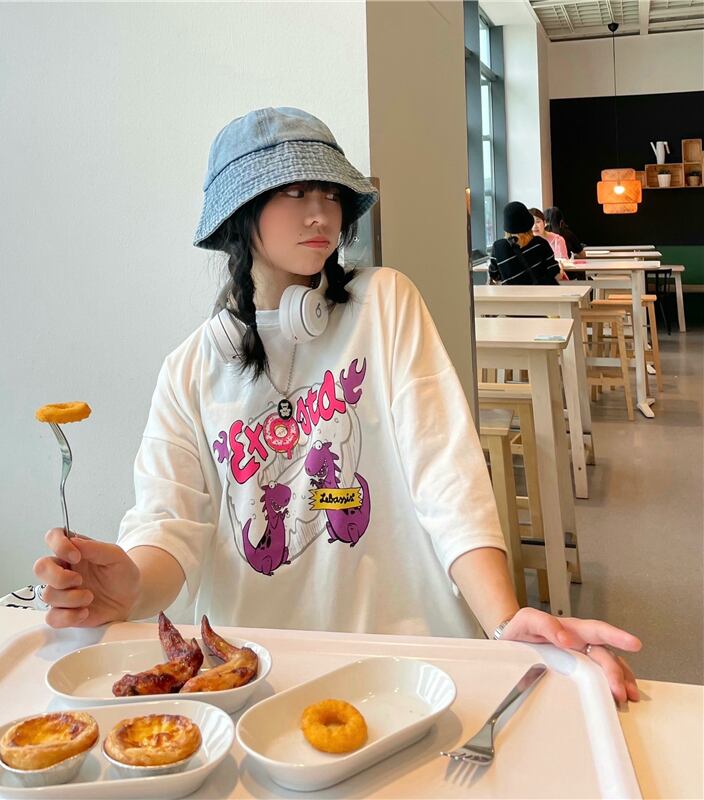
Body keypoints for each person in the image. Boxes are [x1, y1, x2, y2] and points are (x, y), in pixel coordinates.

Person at [34, 107, 640, 703]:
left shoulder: (386, 304)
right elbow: (170, 525)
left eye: (330, 193)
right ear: (241, 212)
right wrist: (129, 588)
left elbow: (446, 474)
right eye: (295, 192)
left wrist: (504, 620)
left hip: (407, 667)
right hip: (254, 678)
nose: (321, 212)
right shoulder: (189, 369)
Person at [488, 202, 567, 285]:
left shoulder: (497, 248)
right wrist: (561, 270)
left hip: (512, 293)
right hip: (541, 292)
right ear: (529, 223)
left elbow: (495, 277)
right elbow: (556, 275)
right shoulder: (540, 243)